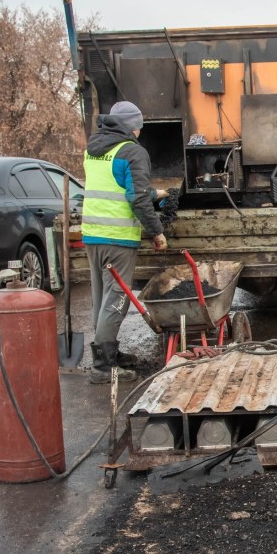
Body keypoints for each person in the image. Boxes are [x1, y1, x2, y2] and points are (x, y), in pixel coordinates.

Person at [82, 101, 169, 384]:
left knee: (101, 299)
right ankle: (102, 368)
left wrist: (156, 192)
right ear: (135, 126)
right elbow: (136, 198)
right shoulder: (131, 151)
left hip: (92, 235)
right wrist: (156, 231)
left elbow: (117, 187)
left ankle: (107, 353)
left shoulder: (93, 150)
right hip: (117, 239)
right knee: (116, 300)